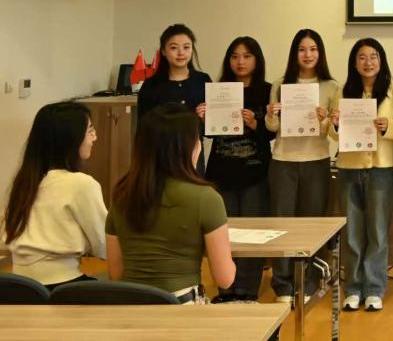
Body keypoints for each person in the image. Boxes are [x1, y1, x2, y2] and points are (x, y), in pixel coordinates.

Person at [106, 103, 235, 302]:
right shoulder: (206, 198)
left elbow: (115, 273)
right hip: (181, 306)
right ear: (190, 148)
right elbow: (224, 279)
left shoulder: (123, 194)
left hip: (130, 306)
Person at [329, 38, 393, 313]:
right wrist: (335, 124)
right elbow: (332, 132)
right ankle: (353, 288)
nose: (368, 62)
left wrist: (388, 126)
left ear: (381, 60)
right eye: (362, 57)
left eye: (373, 56)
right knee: (351, 232)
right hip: (348, 168)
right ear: (354, 62)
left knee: (377, 231)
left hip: (381, 168)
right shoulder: (343, 91)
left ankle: (374, 289)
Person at [264, 28, 339, 304]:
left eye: (313, 49)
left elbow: (332, 132)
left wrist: (324, 119)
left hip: (316, 160)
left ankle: (308, 283)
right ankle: (283, 284)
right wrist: (271, 115)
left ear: (320, 53)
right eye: (302, 49)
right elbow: (272, 128)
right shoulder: (280, 84)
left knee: (312, 223)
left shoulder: (331, 86)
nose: (307, 55)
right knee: (282, 222)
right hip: (283, 160)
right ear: (294, 53)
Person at [200, 36, 274, 302]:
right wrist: (203, 119)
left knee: (253, 232)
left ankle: (248, 289)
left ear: (257, 60)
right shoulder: (218, 90)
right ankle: (227, 288)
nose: (240, 62)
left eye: (246, 56)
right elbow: (209, 134)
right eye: (234, 56)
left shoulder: (267, 90)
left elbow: (273, 133)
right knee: (223, 232)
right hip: (222, 172)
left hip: (255, 173)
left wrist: (255, 123)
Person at [4, 102, 107, 289]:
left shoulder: (24, 182)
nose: (95, 137)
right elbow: (104, 245)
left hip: (17, 287)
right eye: (90, 130)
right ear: (70, 138)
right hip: (63, 287)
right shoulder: (82, 184)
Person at [136, 23, 211, 172]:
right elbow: (143, 127)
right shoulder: (151, 85)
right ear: (163, 51)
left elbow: (212, 129)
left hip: (194, 154)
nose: (181, 53)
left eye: (186, 47)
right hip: (160, 156)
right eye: (174, 47)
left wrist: (206, 119)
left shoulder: (203, 80)